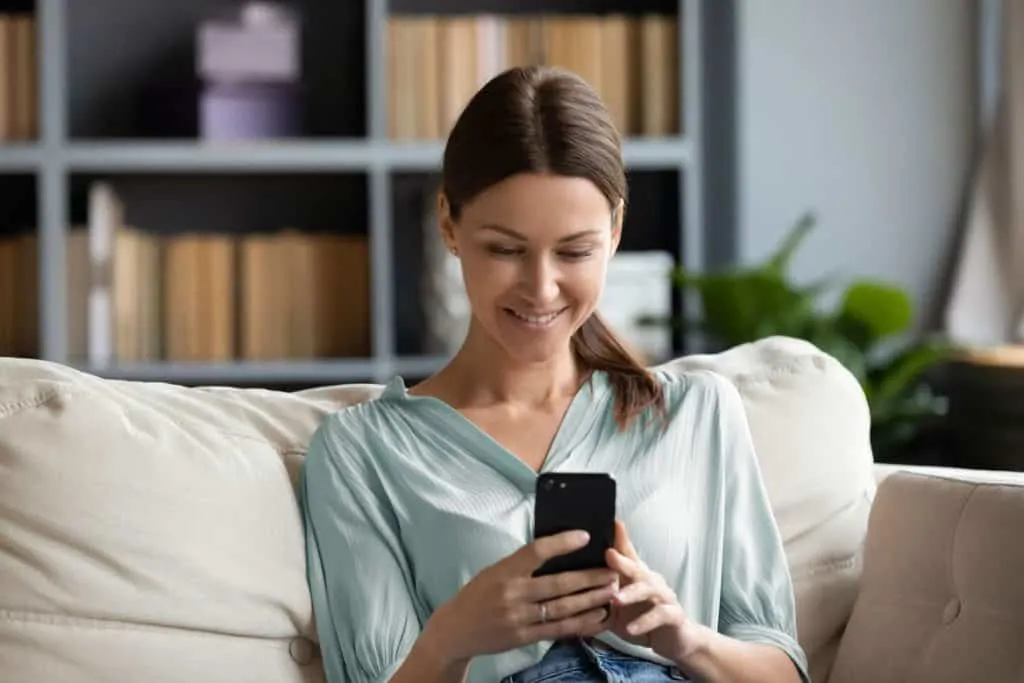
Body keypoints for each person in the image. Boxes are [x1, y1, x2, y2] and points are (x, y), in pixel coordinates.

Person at [299, 65, 810, 683]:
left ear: (615, 230)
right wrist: (453, 639)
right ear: (448, 224)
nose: (541, 289)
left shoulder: (698, 414)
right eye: (505, 249)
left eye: (574, 251)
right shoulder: (363, 451)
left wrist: (683, 637)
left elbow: (781, 668)